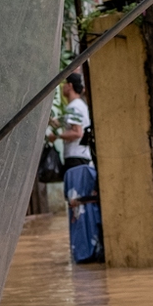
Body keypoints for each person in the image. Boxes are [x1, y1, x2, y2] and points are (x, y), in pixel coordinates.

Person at [59, 74, 102, 264]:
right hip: (83, 159)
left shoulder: (74, 107)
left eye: (63, 85)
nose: (62, 89)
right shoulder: (81, 106)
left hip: (75, 161)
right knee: (84, 205)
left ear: (69, 86)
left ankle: (83, 249)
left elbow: (77, 132)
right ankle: (90, 247)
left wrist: (57, 137)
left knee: (77, 206)